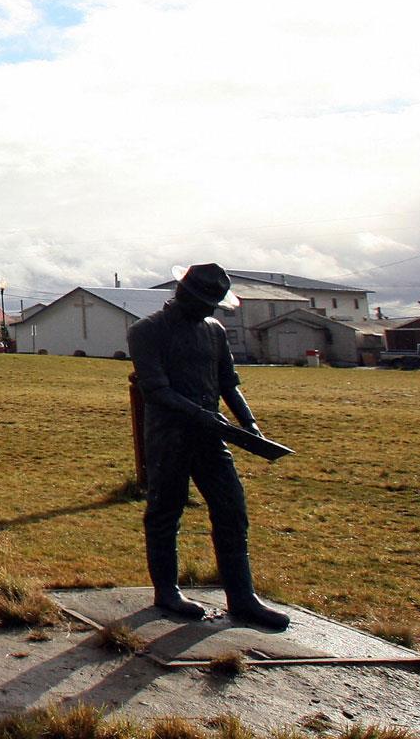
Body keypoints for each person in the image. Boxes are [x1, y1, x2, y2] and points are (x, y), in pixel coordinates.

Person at [128, 262, 289, 630]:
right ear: (183, 293)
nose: (209, 311)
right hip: (169, 436)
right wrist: (200, 414)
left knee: (232, 510)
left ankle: (242, 595)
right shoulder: (147, 331)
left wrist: (249, 424)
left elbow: (228, 382)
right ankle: (166, 590)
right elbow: (155, 389)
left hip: (211, 437)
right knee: (165, 510)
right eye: (203, 302)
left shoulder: (214, 331)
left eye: (213, 305)